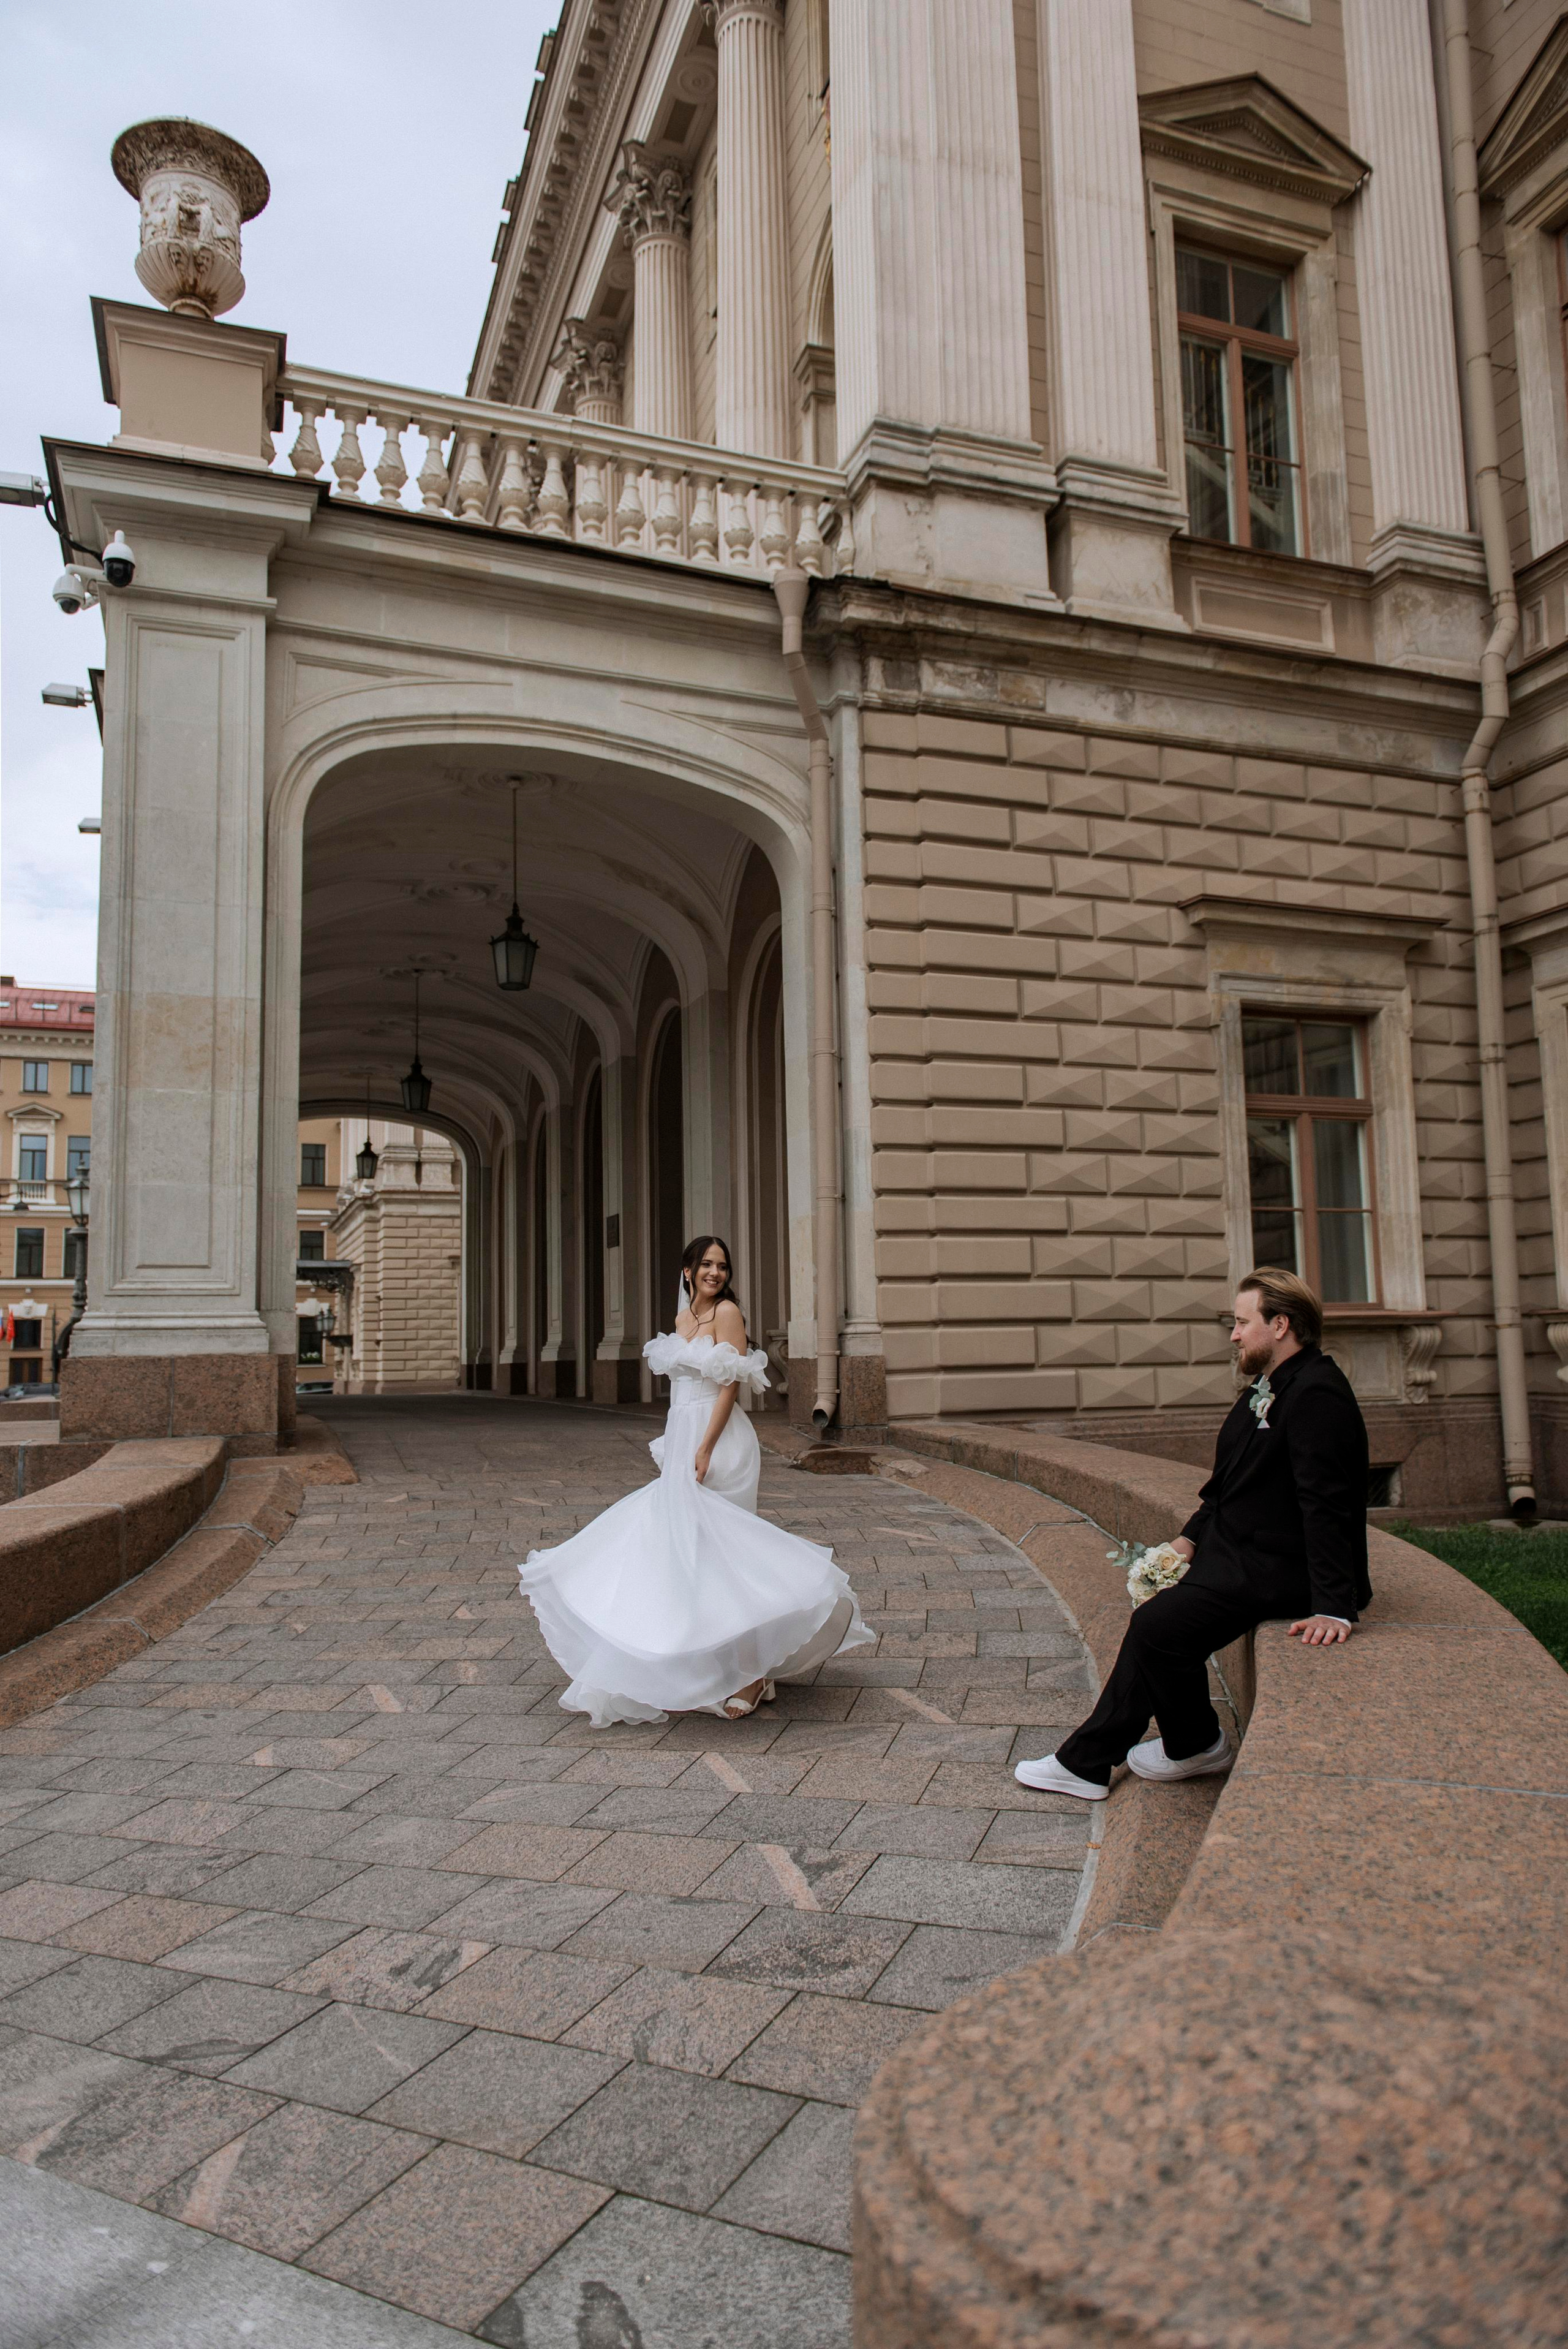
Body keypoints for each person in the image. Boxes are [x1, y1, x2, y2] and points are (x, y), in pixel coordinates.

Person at [1015, 1267, 1370, 1802]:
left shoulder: (1319, 1393)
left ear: (1280, 1325)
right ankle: (1184, 1744)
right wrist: (1188, 1540)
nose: (1233, 1334)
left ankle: (1123, 1756)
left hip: (1280, 1567)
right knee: (1159, 1625)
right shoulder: (1271, 1386)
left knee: (1159, 1626)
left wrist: (1334, 1607)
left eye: (1241, 1322)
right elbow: (1230, 1484)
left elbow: (1328, 1504)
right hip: (1241, 1551)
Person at [518, 1233, 872, 1727]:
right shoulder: (684, 1319)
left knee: (727, 1557)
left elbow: (729, 1388)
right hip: (683, 1433)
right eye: (706, 1264)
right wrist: (679, 1445)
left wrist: (705, 1447)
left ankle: (751, 1673)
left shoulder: (728, 1314)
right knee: (689, 1557)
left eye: (722, 1266)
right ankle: (736, 1666)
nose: (715, 1273)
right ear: (687, 1271)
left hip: (720, 1439)